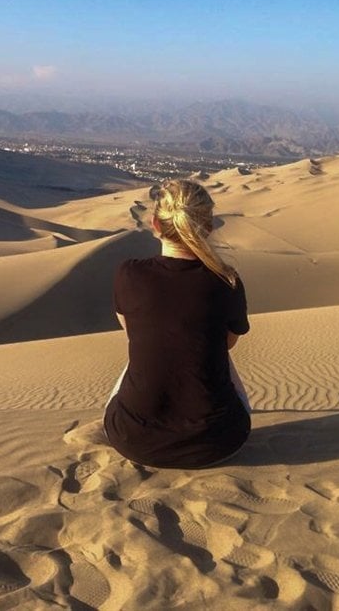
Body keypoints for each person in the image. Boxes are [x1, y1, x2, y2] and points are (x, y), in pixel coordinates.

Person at [103, 179, 252, 469]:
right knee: (213, 348)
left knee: (145, 346)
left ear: (155, 225)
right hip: (220, 442)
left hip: (132, 440)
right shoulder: (227, 281)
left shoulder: (128, 274)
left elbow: (129, 331)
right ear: (208, 227)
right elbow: (228, 343)